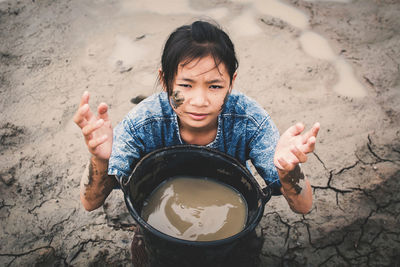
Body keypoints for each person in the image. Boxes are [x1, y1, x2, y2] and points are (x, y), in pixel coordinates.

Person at [73, 20, 320, 265]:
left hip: (229, 240)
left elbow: (303, 206)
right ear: (166, 80)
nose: (199, 100)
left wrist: (289, 170)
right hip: (159, 235)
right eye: (185, 85)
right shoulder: (146, 122)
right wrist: (100, 159)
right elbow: (90, 202)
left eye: (214, 86)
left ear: (231, 83)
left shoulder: (248, 121)